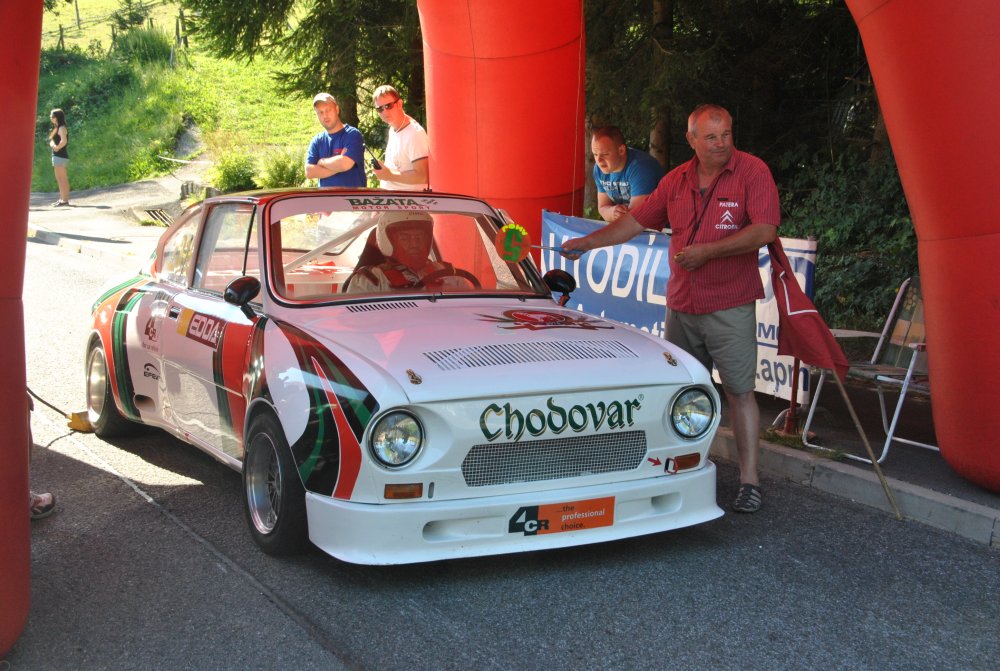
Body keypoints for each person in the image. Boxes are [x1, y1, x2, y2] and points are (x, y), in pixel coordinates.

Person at [562, 104, 779, 513]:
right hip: (682, 304)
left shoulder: (753, 171)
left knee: (739, 392)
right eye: (711, 137)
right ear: (691, 140)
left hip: (729, 303)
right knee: (681, 391)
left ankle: (750, 481)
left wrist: (708, 252)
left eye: (726, 134)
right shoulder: (677, 178)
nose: (721, 144)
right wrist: (587, 243)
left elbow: (765, 230)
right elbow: (635, 222)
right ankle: (680, 471)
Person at [344, 212, 475, 293]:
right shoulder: (372, 280)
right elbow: (357, 323)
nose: (414, 244)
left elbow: (470, 312)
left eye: (419, 237)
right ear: (387, 240)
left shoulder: (450, 275)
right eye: (405, 239)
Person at [591, 125, 663, 223]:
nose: (598, 160)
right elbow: (603, 206)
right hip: (628, 227)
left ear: (621, 150)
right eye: (595, 154)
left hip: (660, 229)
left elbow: (636, 217)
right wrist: (612, 212)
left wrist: (614, 215)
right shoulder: (599, 169)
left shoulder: (641, 167)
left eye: (605, 154)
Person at [370, 85, 429, 190]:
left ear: (400, 104)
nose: (385, 112)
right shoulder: (393, 129)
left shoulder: (415, 133)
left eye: (388, 106)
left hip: (410, 199)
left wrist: (389, 175)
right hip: (392, 198)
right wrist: (385, 173)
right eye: (380, 109)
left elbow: (423, 176)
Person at [305, 93, 367, 187]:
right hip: (326, 197)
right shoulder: (317, 141)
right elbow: (309, 172)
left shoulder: (352, 135)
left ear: (337, 109)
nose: (325, 115)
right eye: (320, 112)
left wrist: (322, 162)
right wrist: (338, 166)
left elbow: (345, 164)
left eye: (328, 110)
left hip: (352, 196)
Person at [49, 108, 71, 207]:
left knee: (63, 179)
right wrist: (53, 145)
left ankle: (65, 200)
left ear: (58, 117)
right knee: (59, 179)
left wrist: (57, 147)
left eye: (52, 116)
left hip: (61, 156)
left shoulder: (62, 128)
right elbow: (52, 141)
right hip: (56, 156)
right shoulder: (56, 128)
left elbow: (64, 141)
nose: (51, 118)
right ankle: (61, 199)